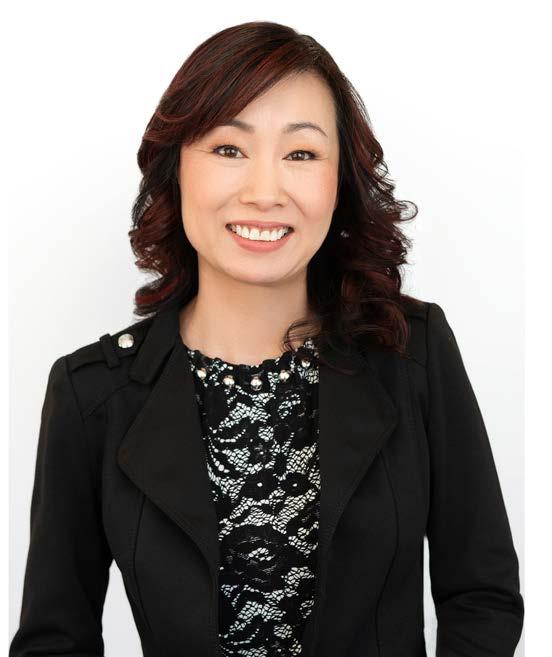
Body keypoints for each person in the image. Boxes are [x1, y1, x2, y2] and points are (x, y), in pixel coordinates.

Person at [9, 20, 524, 657]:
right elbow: (54, 639)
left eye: (301, 154)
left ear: (341, 180)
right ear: (177, 170)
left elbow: (481, 598)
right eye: (229, 149)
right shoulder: (92, 394)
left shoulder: (411, 352)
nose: (264, 192)